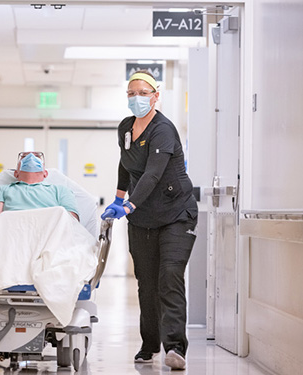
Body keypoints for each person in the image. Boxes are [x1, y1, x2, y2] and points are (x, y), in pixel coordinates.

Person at [101, 70, 198, 370]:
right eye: (131, 93)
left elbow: (153, 174)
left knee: (169, 277)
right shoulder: (126, 128)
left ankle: (175, 348)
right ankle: (149, 343)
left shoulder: (163, 130)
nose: (137, 98)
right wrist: (118, 198)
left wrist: (127, 206)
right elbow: (125, 164)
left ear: (156, 96)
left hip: (176, 214)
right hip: (143, 218)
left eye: (143, 92)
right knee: (146, 282)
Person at [0, 151, 79, 223]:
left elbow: (72, 223)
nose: (31, 157)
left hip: (49, 234)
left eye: (37, 156)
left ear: (45, 173)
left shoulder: (61, 190)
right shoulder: (2, 190)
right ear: (16, 173)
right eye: (24, 157)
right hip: (13, 233)